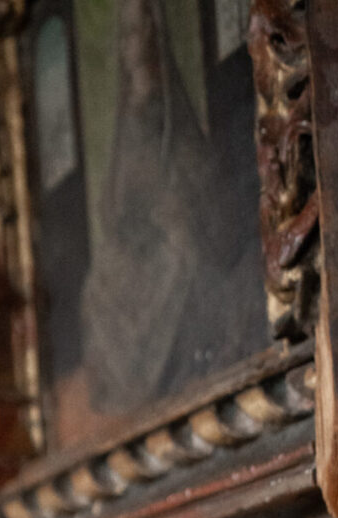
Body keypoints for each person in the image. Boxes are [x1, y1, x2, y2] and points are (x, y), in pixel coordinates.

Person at [80, 0, 266, 416]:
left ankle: (178, 375)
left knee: (184, 257)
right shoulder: (128, 121)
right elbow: (115, 208)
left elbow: (199, 182)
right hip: (139, 252)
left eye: (145, 28)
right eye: (129, 33)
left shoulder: (171, 108)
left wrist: (176, 212)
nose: (137, 41)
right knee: (96, 289)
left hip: (180, 237)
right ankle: (134, 396)